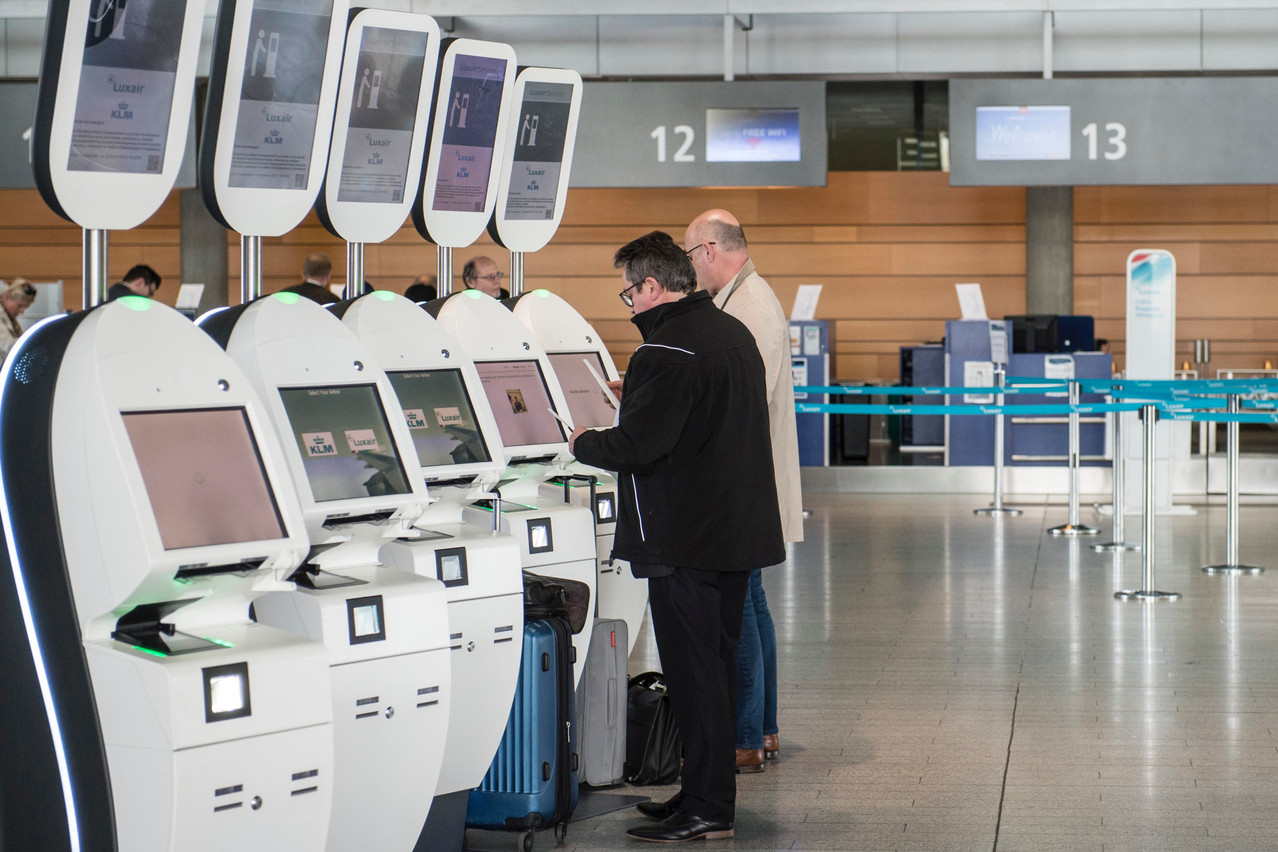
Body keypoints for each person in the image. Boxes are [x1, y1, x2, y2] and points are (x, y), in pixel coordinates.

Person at [569, 231, 783, 844]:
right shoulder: (726, 332)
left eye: (629, 292)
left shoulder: (663, 349)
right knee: (713, 667)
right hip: (733, 533)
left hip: (685, 539)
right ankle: (700, 792)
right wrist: (638, 397)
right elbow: (699, 422)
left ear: (653, 286)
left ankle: (709, 807)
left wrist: (581, 439)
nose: (629, 304)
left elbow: (639, 447)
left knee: (695, 676)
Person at [684, 209, 804, 775]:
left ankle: (747, 735)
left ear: (709, 249)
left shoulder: (751, 307)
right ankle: (766, 728)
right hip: (752, 481)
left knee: (744, 606)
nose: (689, 267)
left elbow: (741, 396)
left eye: (689, 254)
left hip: (747, 483)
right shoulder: (740, 300)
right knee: (753, 602)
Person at [0, 279, 36, 358]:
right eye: (19, 306)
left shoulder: (9, 318)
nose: (22, 312)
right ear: (7, 297)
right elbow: (9, 346)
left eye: (25, 307)